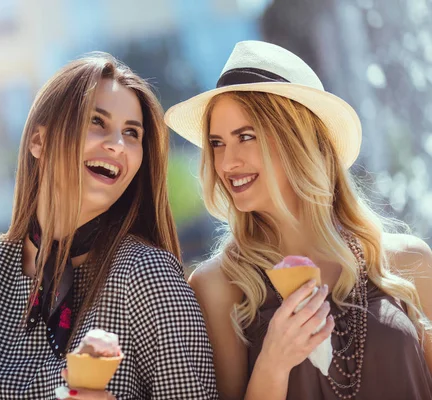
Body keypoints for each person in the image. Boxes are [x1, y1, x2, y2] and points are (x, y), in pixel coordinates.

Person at [165, 40, 432, 400]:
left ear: (298, 141)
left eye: (246, 137)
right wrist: (273, 362)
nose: (227, 163)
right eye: (217, 143)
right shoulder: (219, 287)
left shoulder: (409, 263)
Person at [0, 52, 217, 399]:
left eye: (132, 133)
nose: (117, 145)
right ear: (38, 141)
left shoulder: (147, 275)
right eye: (97, 122)